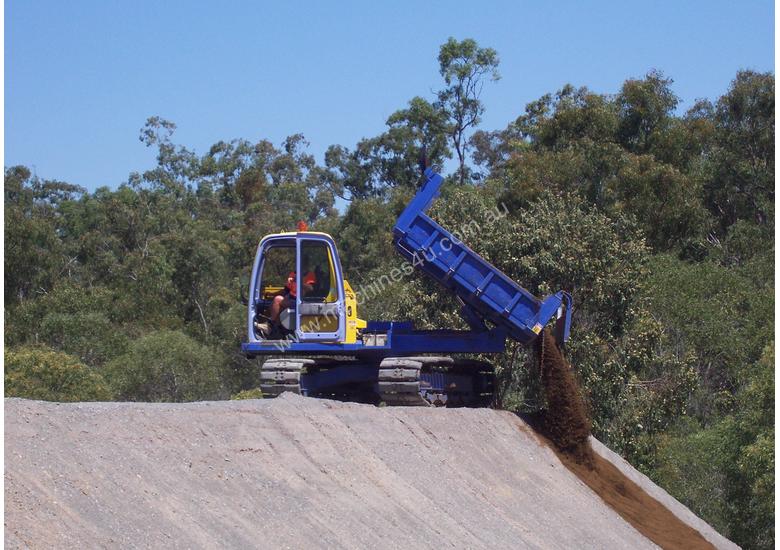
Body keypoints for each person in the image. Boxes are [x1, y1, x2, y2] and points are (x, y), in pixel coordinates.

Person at [255, 269, 316, 337]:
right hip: (290, 299)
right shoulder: (292, 274)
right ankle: (276, 330)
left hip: (302, 301)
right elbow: (285, 291)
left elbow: (311, 289)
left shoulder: (309, 274)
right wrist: (272, 294)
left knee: (277, 300)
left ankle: (271, 326)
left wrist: (299, 281)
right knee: (272, 304)